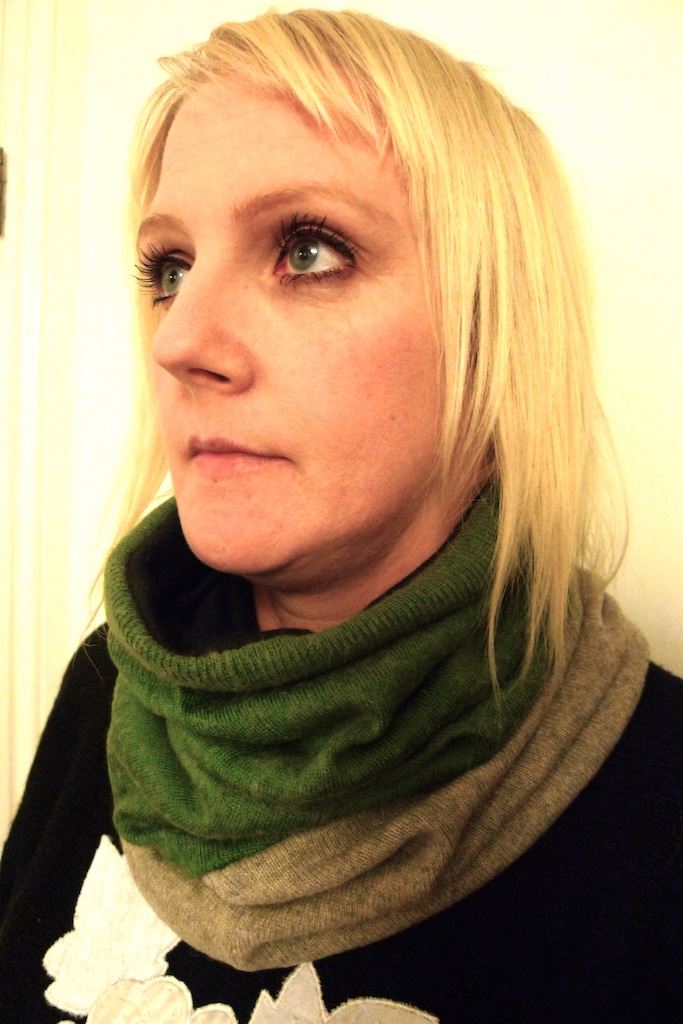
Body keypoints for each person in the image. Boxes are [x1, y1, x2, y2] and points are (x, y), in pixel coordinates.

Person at [0, 8, 680, 1021]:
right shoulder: (109, 688)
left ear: (492, 332)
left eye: (308, 250)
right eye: (170, 269)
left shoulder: (657, 800)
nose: (178, 340)